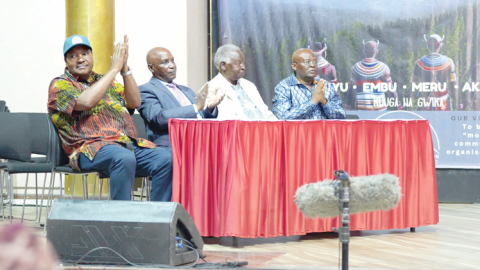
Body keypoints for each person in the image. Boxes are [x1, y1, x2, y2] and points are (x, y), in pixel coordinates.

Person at [48, 35, 173, 201]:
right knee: (123, 157)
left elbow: (134, 102)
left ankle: (157, 217)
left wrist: (124, 69)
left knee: (165, 159)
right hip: (89, 149)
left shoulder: (107, 82)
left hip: (123, 144)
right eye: (73, 56)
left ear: (91, 56)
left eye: (85, 54)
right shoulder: (60, 84)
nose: (80, 59)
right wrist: (113, 70)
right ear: (66, 61)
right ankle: (121, 219)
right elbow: (86, 102)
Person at [138, 47, 225, 147]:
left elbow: (199, 117)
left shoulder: (186, 90)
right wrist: (196, 107)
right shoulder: (146, 90)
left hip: (201, 142)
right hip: (174, 144)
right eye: (164, 62)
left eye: (172, 61)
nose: (172, 66)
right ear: (151, 68)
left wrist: (209, 108)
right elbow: (158, 118)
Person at [207, 44, 277, 120]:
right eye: (238, 63)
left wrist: (277, 126)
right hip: (241, 130)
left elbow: (265, 112)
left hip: (264, 129)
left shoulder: (249, 85)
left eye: (243, 63)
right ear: (223, 65)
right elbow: (225, 121)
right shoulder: (212, 88)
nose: (243, 67)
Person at [272, 48, 346, 120]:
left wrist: (324, 101)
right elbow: (283, 117)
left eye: (315, 62)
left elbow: (341, 116)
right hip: (298, 133)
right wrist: (313, 101)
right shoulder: (284, 87)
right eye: (307, 62)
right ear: (294, 66)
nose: (313, 65)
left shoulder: (326, 85)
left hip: (324, 132)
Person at [346, 40, 403, 111]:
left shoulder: (356, 68)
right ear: (376, 51)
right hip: (380, 110)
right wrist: (399, 104)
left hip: (362, 110)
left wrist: (347, 105)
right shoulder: (384, 68)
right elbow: (391, 89)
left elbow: (352, 90)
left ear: (364, 51)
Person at [411, 34, 457, 111]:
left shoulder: (419, 63)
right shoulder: (449, 63)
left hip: (424, 103)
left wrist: (405, 104)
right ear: (440, 45)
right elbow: (453, 84)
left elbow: (413, 84)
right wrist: (458, 102)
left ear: (427, 45)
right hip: (443, 103)